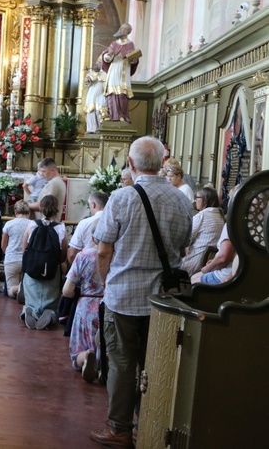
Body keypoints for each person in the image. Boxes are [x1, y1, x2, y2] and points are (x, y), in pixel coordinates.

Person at [90, 136, 192, 447]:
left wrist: (106, 282)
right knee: (156, 362)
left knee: (121, 362)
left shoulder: (121, 198)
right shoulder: (181, 200)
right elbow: (182, 245)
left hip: (123, 296)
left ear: (131, 164)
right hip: (165, 299)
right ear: (163, 162)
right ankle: (149, 424)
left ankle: (120, 428)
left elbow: (103, 249)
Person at [20, 195, 67, 330]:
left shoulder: (32, 225)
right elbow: (63, 254)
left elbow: (24, 248)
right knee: (50, 299)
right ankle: (49, 313)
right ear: (57, 209)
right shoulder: (61, 228)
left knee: (32, 296)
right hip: (51, 270)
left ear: (41, 209)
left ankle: (29, 310)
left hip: (32, 268)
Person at [63, 243, 103, 383]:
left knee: (79, 348)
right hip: (109, 306)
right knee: (105, 343)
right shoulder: (117, 255)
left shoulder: (84, 256)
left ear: (93, 237)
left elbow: (67, 291)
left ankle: (85, 357)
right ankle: (103, 363)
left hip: (86, 306)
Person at [101, 23, 140, 123]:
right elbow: (106, 58)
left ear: (128, 32)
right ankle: (113, 115)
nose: (121, 30)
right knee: (112, 92)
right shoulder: (114, 44)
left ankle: (122, 115)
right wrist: (108, 55)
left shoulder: (130, 44)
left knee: (123, 93)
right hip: (114, 69)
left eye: (123, 29)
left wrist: (133, 59)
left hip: (124, 70)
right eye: (121, 28)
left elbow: (133, 60)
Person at [181, 187, 225, 275]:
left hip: (194, 260)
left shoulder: (202, 216)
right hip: (210, 260)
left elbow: (185, 238)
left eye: (196, 198)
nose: (195, 201)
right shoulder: (221, 216)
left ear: (205, 200)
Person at [1, 200, 33, 299]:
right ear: (29, 212)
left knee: (10, 291)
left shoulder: (9, 224)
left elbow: (3, 245)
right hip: (28, 260)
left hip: (11, 260)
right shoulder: (33, 224)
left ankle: (22, 288)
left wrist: (9, 254)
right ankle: (28, 288)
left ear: (15, 212)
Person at [67, 191, 107, 265]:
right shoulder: (114, 222)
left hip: (87, 265)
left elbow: (72, 254)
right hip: (109, 267)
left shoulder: (84, 223)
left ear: (93, 204)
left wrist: (75, 270)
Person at [83, 63, 107, 133]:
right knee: (90, 111)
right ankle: (91, 128)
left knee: (99, 111)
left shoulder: (105, 74)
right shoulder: (90, 74)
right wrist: (87, 81)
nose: (97, 65)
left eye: (99, 64)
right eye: (96, 64)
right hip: (91, 95)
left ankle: (100, 128)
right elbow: (86, 84)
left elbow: (106, 84)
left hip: (101, 95)